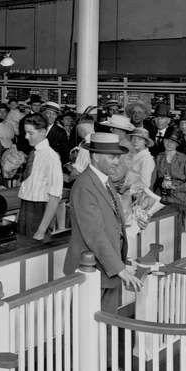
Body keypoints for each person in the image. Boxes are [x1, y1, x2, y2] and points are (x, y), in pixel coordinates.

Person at [62, 132, 144, 315]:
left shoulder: (105, 181)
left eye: (118, 157)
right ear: (96, 157)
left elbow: (111, 221)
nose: (117, 162)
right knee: (87, 327)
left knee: (106, 325)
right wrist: (120, 269)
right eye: (112, 157)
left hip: (107, 269)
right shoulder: (85, 185)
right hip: (91, 270)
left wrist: (137, 223)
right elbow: (95, 234)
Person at [17, 113, 63, 242]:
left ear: (43, 132)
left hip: (40, 212)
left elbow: (54, 198)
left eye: (30, 133)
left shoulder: (51, 157)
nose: (26, 137)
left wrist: (41, 231)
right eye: (26, 132)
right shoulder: (34, 153)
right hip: (26, 208)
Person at [153, 126, 186, 205]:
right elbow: (153, 179)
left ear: (178, 144)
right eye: (167, 140)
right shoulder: (158, 157)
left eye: (173, 141)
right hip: (161, 196)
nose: (169, 143)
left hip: (180, 198)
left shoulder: (185, 159)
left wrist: (175, 188)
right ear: (163, 141)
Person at [98, 114, 136, 188]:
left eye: (113, 128)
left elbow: (116, 175)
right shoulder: (121, 145)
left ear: (120, 131)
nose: (110, 130)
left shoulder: (126, 148)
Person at [121, 127, 155, 194]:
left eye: (140, 139)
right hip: (128, 192)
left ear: (145, 142)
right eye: (134, 138)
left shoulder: (146, 159)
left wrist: (127, 187)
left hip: (137, 193)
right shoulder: (135, 155)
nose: (136, 141)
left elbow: (145, 183)